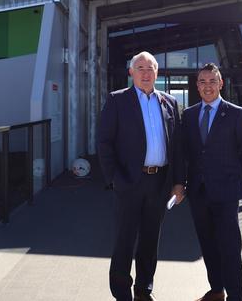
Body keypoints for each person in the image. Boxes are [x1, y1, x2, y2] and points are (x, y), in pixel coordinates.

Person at [97, 51, 181, 301]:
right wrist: (114, 179)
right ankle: (121, 293)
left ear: (157, 73)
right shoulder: (117, 100)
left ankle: (144, 290)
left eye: (151, 68)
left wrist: (178, 181)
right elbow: (104, 142)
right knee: (125, 240)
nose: (146, 73)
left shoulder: (169, 102)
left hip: (159, 182)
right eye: (141, 68)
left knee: (150, 240)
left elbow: (176, 146)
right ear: (131, 72)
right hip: (129, 182)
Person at [176, 63, 242, 301]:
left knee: (230, 248)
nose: (207, 86)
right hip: (199, 193)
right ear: (197, 85)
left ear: (221, 84)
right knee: (208, 244)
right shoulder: (189, 115)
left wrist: (233, 178)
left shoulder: (236, 113)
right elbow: (185, 153)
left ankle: (235, 296)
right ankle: (216, 290)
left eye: (212, 81)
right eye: (202, 81)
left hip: (226, 194)